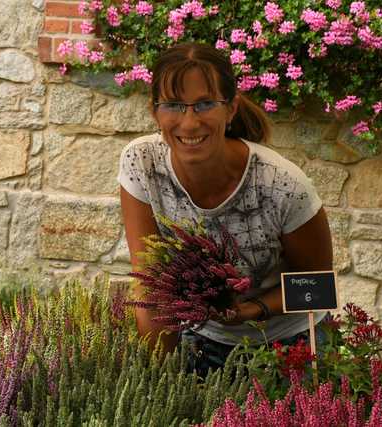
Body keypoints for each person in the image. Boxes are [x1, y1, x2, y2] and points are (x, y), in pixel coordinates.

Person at [117, 42, 333, 374]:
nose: (189, 124)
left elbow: (318, 288)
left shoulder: (283, 185)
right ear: (154, 110)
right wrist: (157, 378)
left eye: (205, 104)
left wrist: (253, 309)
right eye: (173, 105)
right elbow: (150, 286)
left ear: (230, 108)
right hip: (202, 340)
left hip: (289, 346)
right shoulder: (142, 163)